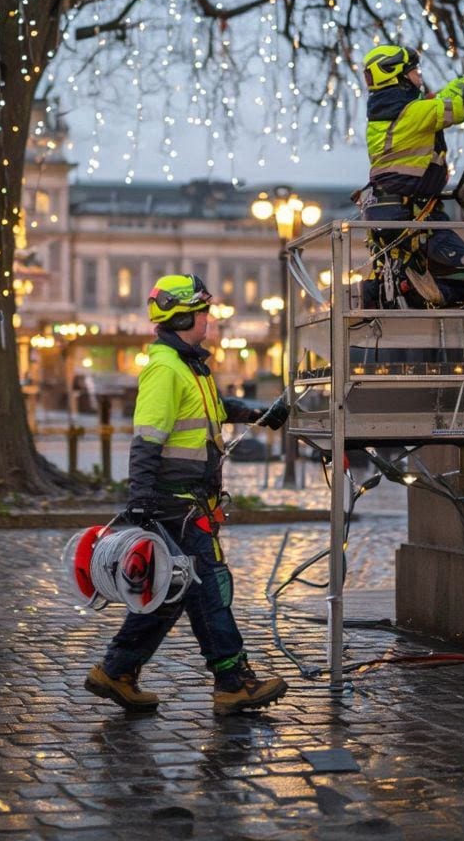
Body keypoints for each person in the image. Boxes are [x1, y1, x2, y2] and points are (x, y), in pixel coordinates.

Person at [85, 273, 292, 715]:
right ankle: (234, 682)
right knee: (208, 588)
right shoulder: (164, 368)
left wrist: (259, 413)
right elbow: (147, 439)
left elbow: (217, 409)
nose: (209, 321)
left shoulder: (190, 366)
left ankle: (117, 671)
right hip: (174, 501)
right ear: (182, 317)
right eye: (203, 313)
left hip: (188, 499)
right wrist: (140, 500)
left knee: (171, 590)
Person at [361, 44, 464, 306]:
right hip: (413, 215)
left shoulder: (393, 113)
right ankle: (422, 290)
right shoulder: (413, 113)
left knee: (430, 267)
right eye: (414, 71)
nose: (419, 75)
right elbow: (458, 106)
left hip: (395, 212)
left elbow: (443, 98)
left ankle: (410, 286)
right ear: (398, 77)